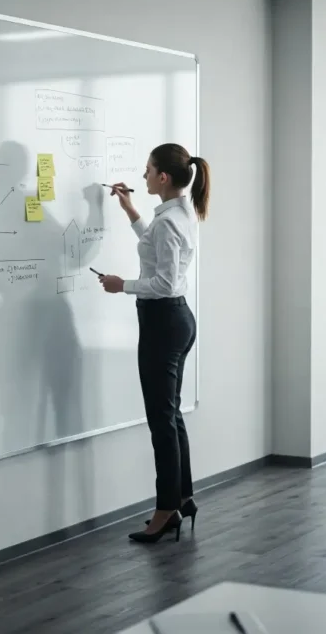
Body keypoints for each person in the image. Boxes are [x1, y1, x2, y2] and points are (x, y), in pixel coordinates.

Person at [99, 143, 210, 544]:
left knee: (161, 420)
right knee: (172, 415)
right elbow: (156, 246)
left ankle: (166, 511)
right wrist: (130, 211)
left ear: (163, 177)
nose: (142, 176)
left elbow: (162, 282)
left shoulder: (169, 222)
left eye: (147, 170)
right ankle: (183, 497)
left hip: (163, 322)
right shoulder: (180, 213)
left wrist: (120, 286)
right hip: (178, 321)